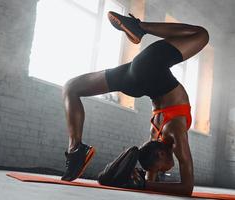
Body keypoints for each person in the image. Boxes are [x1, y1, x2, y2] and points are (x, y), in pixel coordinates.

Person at [61, 11, 209, 195]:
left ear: (161, 154)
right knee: (71, 88)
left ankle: (138, 27)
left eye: (161, 170)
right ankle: (75, 150)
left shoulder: (174, 134)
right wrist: (141, 184)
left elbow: (187, 189)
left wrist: (141, 184)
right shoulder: (156, 135)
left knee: (202, 35)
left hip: (148, 69)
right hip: (137, 81)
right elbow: (154, 181)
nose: (166, 171)